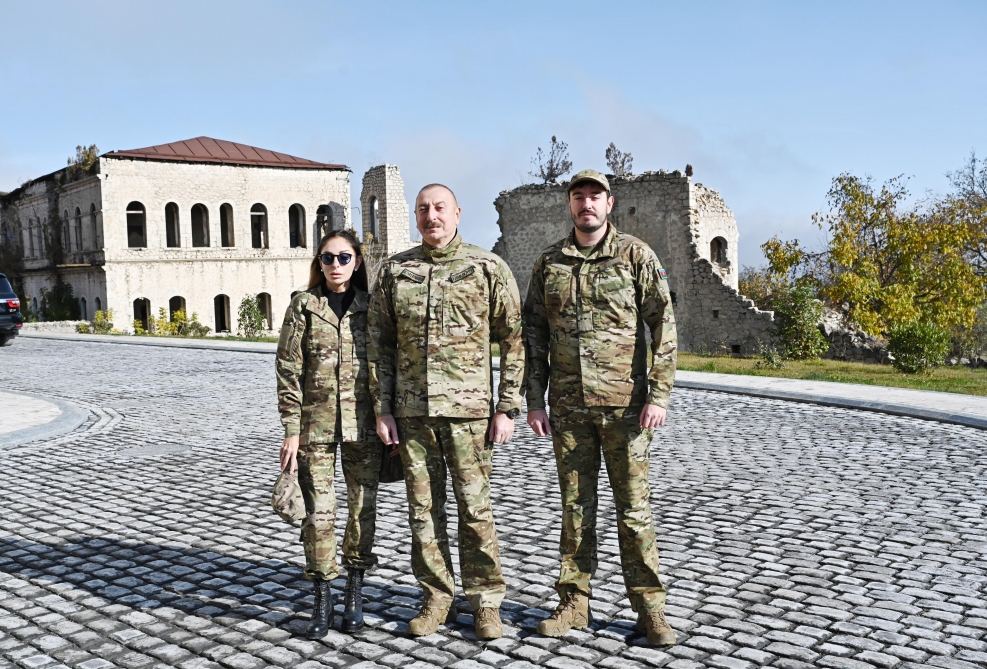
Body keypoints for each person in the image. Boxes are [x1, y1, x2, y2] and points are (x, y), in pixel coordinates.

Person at [523, 169, 678, 646]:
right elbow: (534, 334)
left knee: (633, 510)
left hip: (626, 410)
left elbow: (663, 325)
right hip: (569, 410)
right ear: (569, 205)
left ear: (610, 204)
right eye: (578, 197)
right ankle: (574, 602)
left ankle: (650, 608)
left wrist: (659, 394)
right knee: (575, 509)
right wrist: (534, 399)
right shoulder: (550, 262)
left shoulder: (636, 256)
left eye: (594, 196)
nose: (586, 204)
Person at [367, 183, 524, 640]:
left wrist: (507, 407)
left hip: (470, 415)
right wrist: (383, 407)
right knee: (423, 511)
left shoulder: (486, 268)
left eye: (439, 208)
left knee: (475, 511)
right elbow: (379, 345)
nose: (431, 216)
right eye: (423, 209)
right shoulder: (397, 272)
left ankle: (486, 601)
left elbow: (513, 340)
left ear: (457, 212)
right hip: (413, 415)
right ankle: (436, 596)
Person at [276, 229, 384, 638]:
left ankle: (354, 591)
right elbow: (288, 370)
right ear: (318, 264)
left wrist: (386, 415)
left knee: (362, 510)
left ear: (356, 261)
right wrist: (290, 429)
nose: (335, 265)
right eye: (327, 258)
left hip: (364, 427)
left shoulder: (371, 308)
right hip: (314, 427)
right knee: (319, 515)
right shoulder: (303, 306)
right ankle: (322, 594)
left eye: (343, 257)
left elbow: (383, 365)